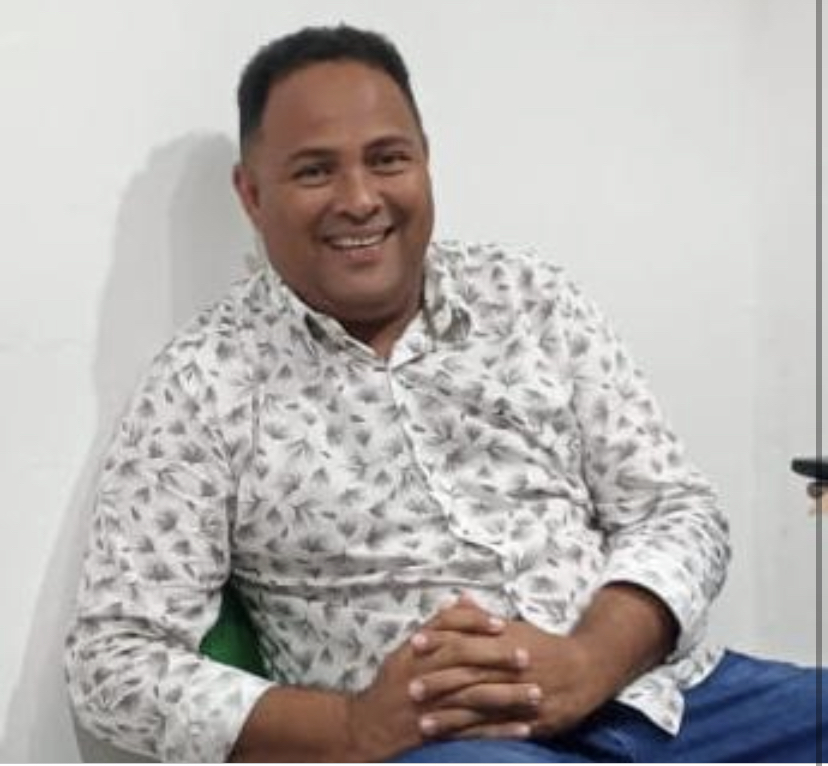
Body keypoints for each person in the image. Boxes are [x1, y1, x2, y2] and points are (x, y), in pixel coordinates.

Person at [65, 24, 825, 763]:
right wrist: (352, 728)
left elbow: (677, 511)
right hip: (453, 747)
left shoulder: (530, 298)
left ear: (425, 161)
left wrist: (590, 660)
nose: (360, 199)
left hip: (666, 701)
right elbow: (113, 660)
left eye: (387, 159)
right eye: (315, 172)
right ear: (252, 194)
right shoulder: (202, 382)